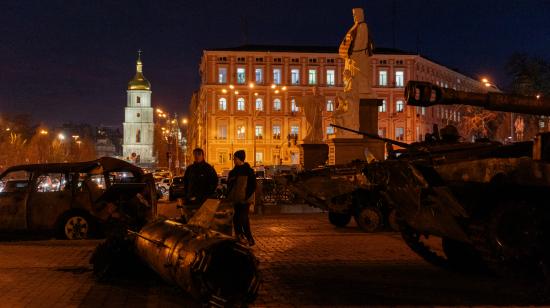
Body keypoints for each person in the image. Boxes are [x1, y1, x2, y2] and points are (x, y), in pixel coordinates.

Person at [226, 150, 256, 246]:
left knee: (243, 218)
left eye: (235, 158)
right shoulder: (233, 172)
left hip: (245, 200)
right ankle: (240, 236)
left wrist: (246, 197)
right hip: (235, 199)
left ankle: (248, 237)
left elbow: (253, 185)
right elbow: (229, 185)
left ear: (240, 158)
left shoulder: (248, 171)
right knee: (236, 218)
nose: (234, 160)